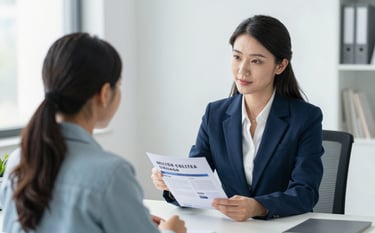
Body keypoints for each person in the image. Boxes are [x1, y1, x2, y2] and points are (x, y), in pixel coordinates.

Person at [0, 33, 186, 233]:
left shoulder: (19, 161)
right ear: (105, 94)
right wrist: (171, 231)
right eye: (119, 84)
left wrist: (131, 216)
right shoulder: (111, 174)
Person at [151, 15, 324, 221]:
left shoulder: (305, 118)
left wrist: (258, 207)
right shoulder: (214, 115)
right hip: (233, 228)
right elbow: (196, 181)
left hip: (284, 226)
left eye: (256, 61)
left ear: (280, 66)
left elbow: (306, 193)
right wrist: (174, 185)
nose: (243, 70)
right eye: (237, 57)